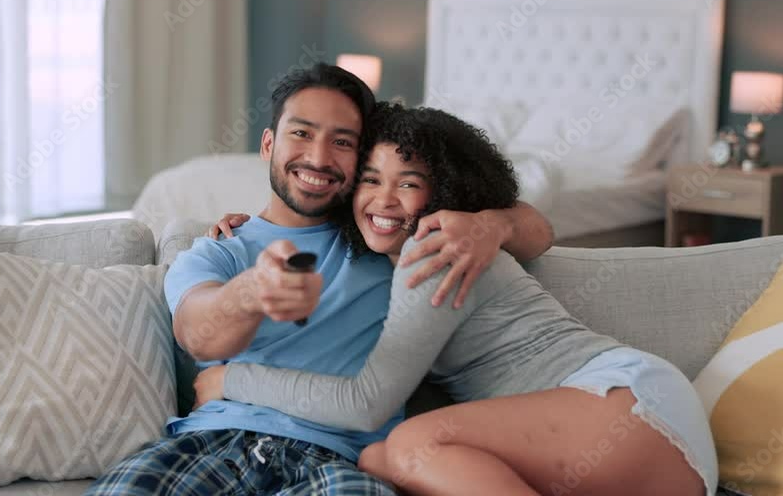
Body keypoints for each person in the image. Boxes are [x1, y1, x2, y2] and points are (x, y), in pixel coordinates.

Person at [196, 103, 719, 496]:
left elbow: (365, 403)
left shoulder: (438, 250)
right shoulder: (388, 258)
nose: (383, 199)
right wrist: (250, 228)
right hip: (628, 446)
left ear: (443, 190)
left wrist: (230, 380)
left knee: (408, 446)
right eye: (371, 180)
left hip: (631, 409)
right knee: (379, 460)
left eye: (410, 183)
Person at [82, 64, 554, 496]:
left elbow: (537, 231)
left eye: (343, 142)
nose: (319, 157)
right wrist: (253, 290)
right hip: (214, 445)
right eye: (301, 134)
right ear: (269, 144)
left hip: (338, 462)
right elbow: (198, 334)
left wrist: (492, 225)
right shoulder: (219, 249)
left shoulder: (386, 240)